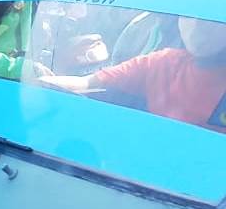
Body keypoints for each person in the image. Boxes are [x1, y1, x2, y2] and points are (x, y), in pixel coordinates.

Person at [37, 15, 226, 131]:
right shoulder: (164, 63)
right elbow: (88, 83)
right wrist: (33, 82)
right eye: (188, 15)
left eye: (209, 17)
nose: (197, 25)